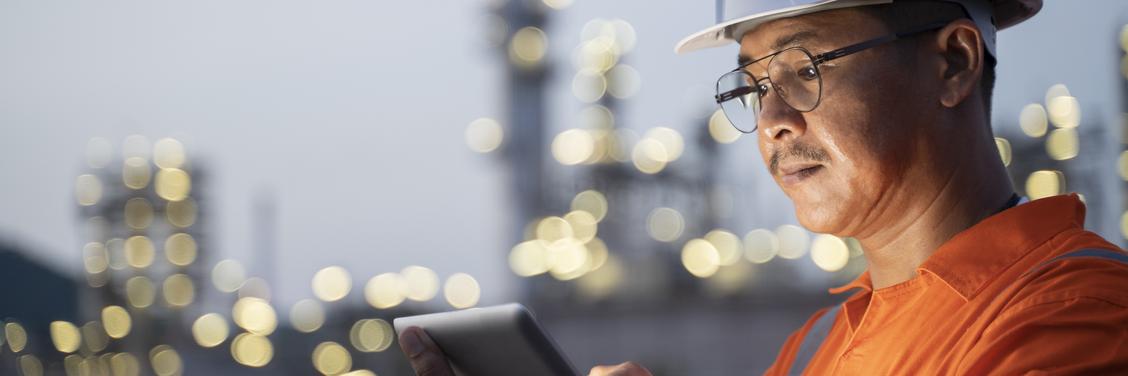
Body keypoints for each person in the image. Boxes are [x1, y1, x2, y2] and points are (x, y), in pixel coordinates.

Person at [399, 0, 1128, 374]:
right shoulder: (817, 346)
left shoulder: (1073, 319)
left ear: (953, 64)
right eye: (752, 86)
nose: (771, 121)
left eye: (805, 67)